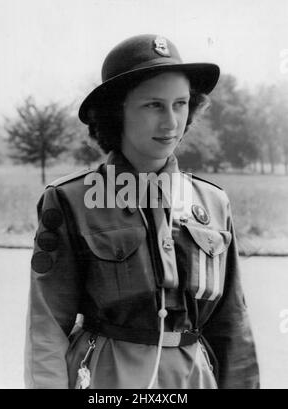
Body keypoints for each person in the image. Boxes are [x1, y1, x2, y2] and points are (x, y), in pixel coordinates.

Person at [24, 34, 260, 389]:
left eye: (180, 104)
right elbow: (46, 326)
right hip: (107, 379)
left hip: (193, 379)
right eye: (153, 105)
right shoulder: (71, 199)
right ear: (116, 112)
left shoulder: (212, 203)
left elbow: (233, 327)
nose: (170, 122)